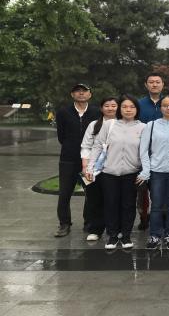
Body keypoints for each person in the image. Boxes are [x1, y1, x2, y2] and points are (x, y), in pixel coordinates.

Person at [86, 95, 146, 249]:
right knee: (110, 204)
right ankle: (112, 236)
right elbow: (98, 146)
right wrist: (90, 167)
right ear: (120, 109)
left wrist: (145, 171)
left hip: (131, 172)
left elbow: (146, 151)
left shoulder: (143, 127)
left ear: (137, 109)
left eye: (132, 107)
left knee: (128, 205)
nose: (128, 110)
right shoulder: (110, 125)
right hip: (109, 172)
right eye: (124, 106)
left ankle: (125, 235)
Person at [139, 95, 169, 250]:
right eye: (165, 105)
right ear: (160, 108)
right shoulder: (151, 125)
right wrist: (146, 170)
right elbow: (143, 150)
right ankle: (155, 235)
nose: (168, 108)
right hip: (156, 171)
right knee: (157, 205)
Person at [54, 84, 100, 237]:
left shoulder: (96, 112)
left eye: (84, 91)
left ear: (90, 94)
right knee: (65, 192)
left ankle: (89, 222)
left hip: (89, 161)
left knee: (90, 193)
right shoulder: (63, 112)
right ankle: (64, 223)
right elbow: (61, 136)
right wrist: (71, 147)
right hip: (68, 159)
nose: (81, 93)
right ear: (72, 94)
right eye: (77, 91)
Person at [80, 97, 118, 241]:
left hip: (114, 167)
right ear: (101, 108)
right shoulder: (94, 124)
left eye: (113, 105)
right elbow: (86, 146)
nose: (110, 108)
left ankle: (114, 228)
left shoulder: (122, 124)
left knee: (113, 199)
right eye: (107, 105)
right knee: (94, 199)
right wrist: (86, 166)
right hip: (95, 167)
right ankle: (95, 229)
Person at [137, 73, 165, 230]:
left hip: (162, 153)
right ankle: (143, 217)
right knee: (142, 188)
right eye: (151, 82)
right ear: (146, 85)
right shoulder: (139, 104)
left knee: (159, 189)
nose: (154, 84)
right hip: (141, 152)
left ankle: (159, 217)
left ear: (162, 84)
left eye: (157, 82)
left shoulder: (168, 103)